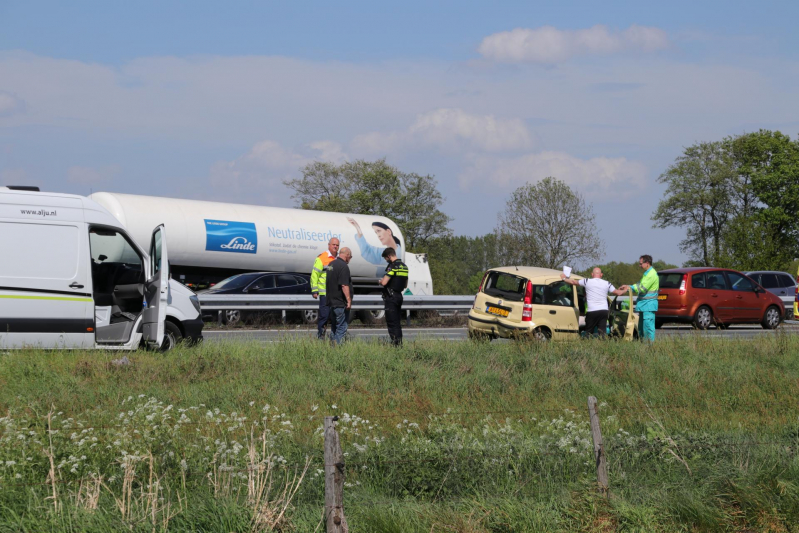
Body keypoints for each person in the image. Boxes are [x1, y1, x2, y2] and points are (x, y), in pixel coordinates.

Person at [561, 268, 626, 338]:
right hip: (603, 311)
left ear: (592, 274)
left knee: (588, 332)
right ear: (601, 275)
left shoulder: (587, 281)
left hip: (592, 311)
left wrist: (564, 278)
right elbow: (618, 293)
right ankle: (602, 344)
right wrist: (626, 289)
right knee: (602, 333)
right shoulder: (607, 283)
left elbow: (573, 282)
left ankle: (588, 344)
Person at [620, 255, 659, 342]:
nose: (640, 265)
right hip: (644, 305)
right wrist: (628, 287)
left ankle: (649, 347)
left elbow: (642, 288)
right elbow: (638, 284)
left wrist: (629, 288)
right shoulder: (647, 274)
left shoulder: (651, 275)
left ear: (647, 263)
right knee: (642, 328)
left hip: (648, 305)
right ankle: (643, 346)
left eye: (641, 263)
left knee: (648, 328)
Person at [310, 238, 339, 339]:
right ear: (329, 245)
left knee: (335, 316)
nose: (335, 247)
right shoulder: (322, 258)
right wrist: (314, 290)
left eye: (337, 245)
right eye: (333, 245)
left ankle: (334, 338)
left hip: (336, 294)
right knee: (324, 316)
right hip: (325, 294)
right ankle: (321, 337)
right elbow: (314, 275)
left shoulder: (339, 259)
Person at [379, 247, 408, 346]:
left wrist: (380, 281)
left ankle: (396, 344)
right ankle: (399, 343)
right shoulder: (404, 266)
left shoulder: (393, 266)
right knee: (397, 322)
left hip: (391, 297)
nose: (386, 261)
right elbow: (405, 285)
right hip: (399, 296)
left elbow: (384, 282)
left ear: (389, 256)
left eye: (386, 259)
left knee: (392, 322)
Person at [325, 247, 353, 345]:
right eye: (351, 257)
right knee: (341, 327)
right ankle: (336, 348)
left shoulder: (330, 265)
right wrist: (348, 300)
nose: (350, 259)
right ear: (347, 255)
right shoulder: (343, 266)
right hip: (340, 302)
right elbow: (344, 285)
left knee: (334, 327)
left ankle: (332, 345)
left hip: (331, 302)